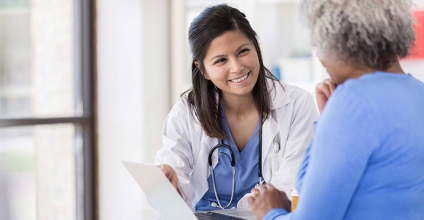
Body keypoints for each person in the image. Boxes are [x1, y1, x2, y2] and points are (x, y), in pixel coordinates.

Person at [248, 0, 424, 219]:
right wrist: (328, 120)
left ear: (336, 41)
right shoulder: (418, 93)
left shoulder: (354, 102)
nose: (321, 58)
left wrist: (270, 211)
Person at [154, 4, 319, 211]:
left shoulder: (297, 105)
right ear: (203, 70)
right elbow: (172, 175)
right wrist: (168, 183)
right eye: (221, 60)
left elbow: (291, 184)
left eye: (243, 51)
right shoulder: (186, 113)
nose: (237, 67)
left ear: (256, 48)